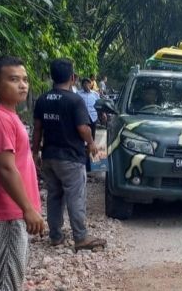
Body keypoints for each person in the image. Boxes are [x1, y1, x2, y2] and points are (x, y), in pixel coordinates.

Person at [32, 59, 106, 252]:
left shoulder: (42, 99)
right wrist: (91, 144)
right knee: (75, 196)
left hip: (49, 156)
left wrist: (34, 153)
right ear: (73, 78)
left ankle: (55, 236)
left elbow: (37, 129)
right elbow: (83, 128)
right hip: (71, 158)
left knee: (54, 195)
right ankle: (80, 237)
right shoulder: (75, 100)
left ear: (51, 77)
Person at [0, 56, 44, 291]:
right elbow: (5, 168)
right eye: (13, 79)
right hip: (8, 213)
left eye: (24, 79)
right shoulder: (0, 118)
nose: (22, 85)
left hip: (13, 212)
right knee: (7, 280)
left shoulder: (10, 116)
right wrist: (27, 208)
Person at [77, 78, 100, 172]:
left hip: (92, 118)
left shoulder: (95, 94)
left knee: (91, 141)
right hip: (82, 119)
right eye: (84, 84)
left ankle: (90, 164)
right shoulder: (78, 94)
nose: (86, 85)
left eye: (88, 83)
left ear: (90, 85)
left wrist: (102, 114)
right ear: (82, 85)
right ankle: (82, 162)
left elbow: (99, 105)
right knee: (81, 140)